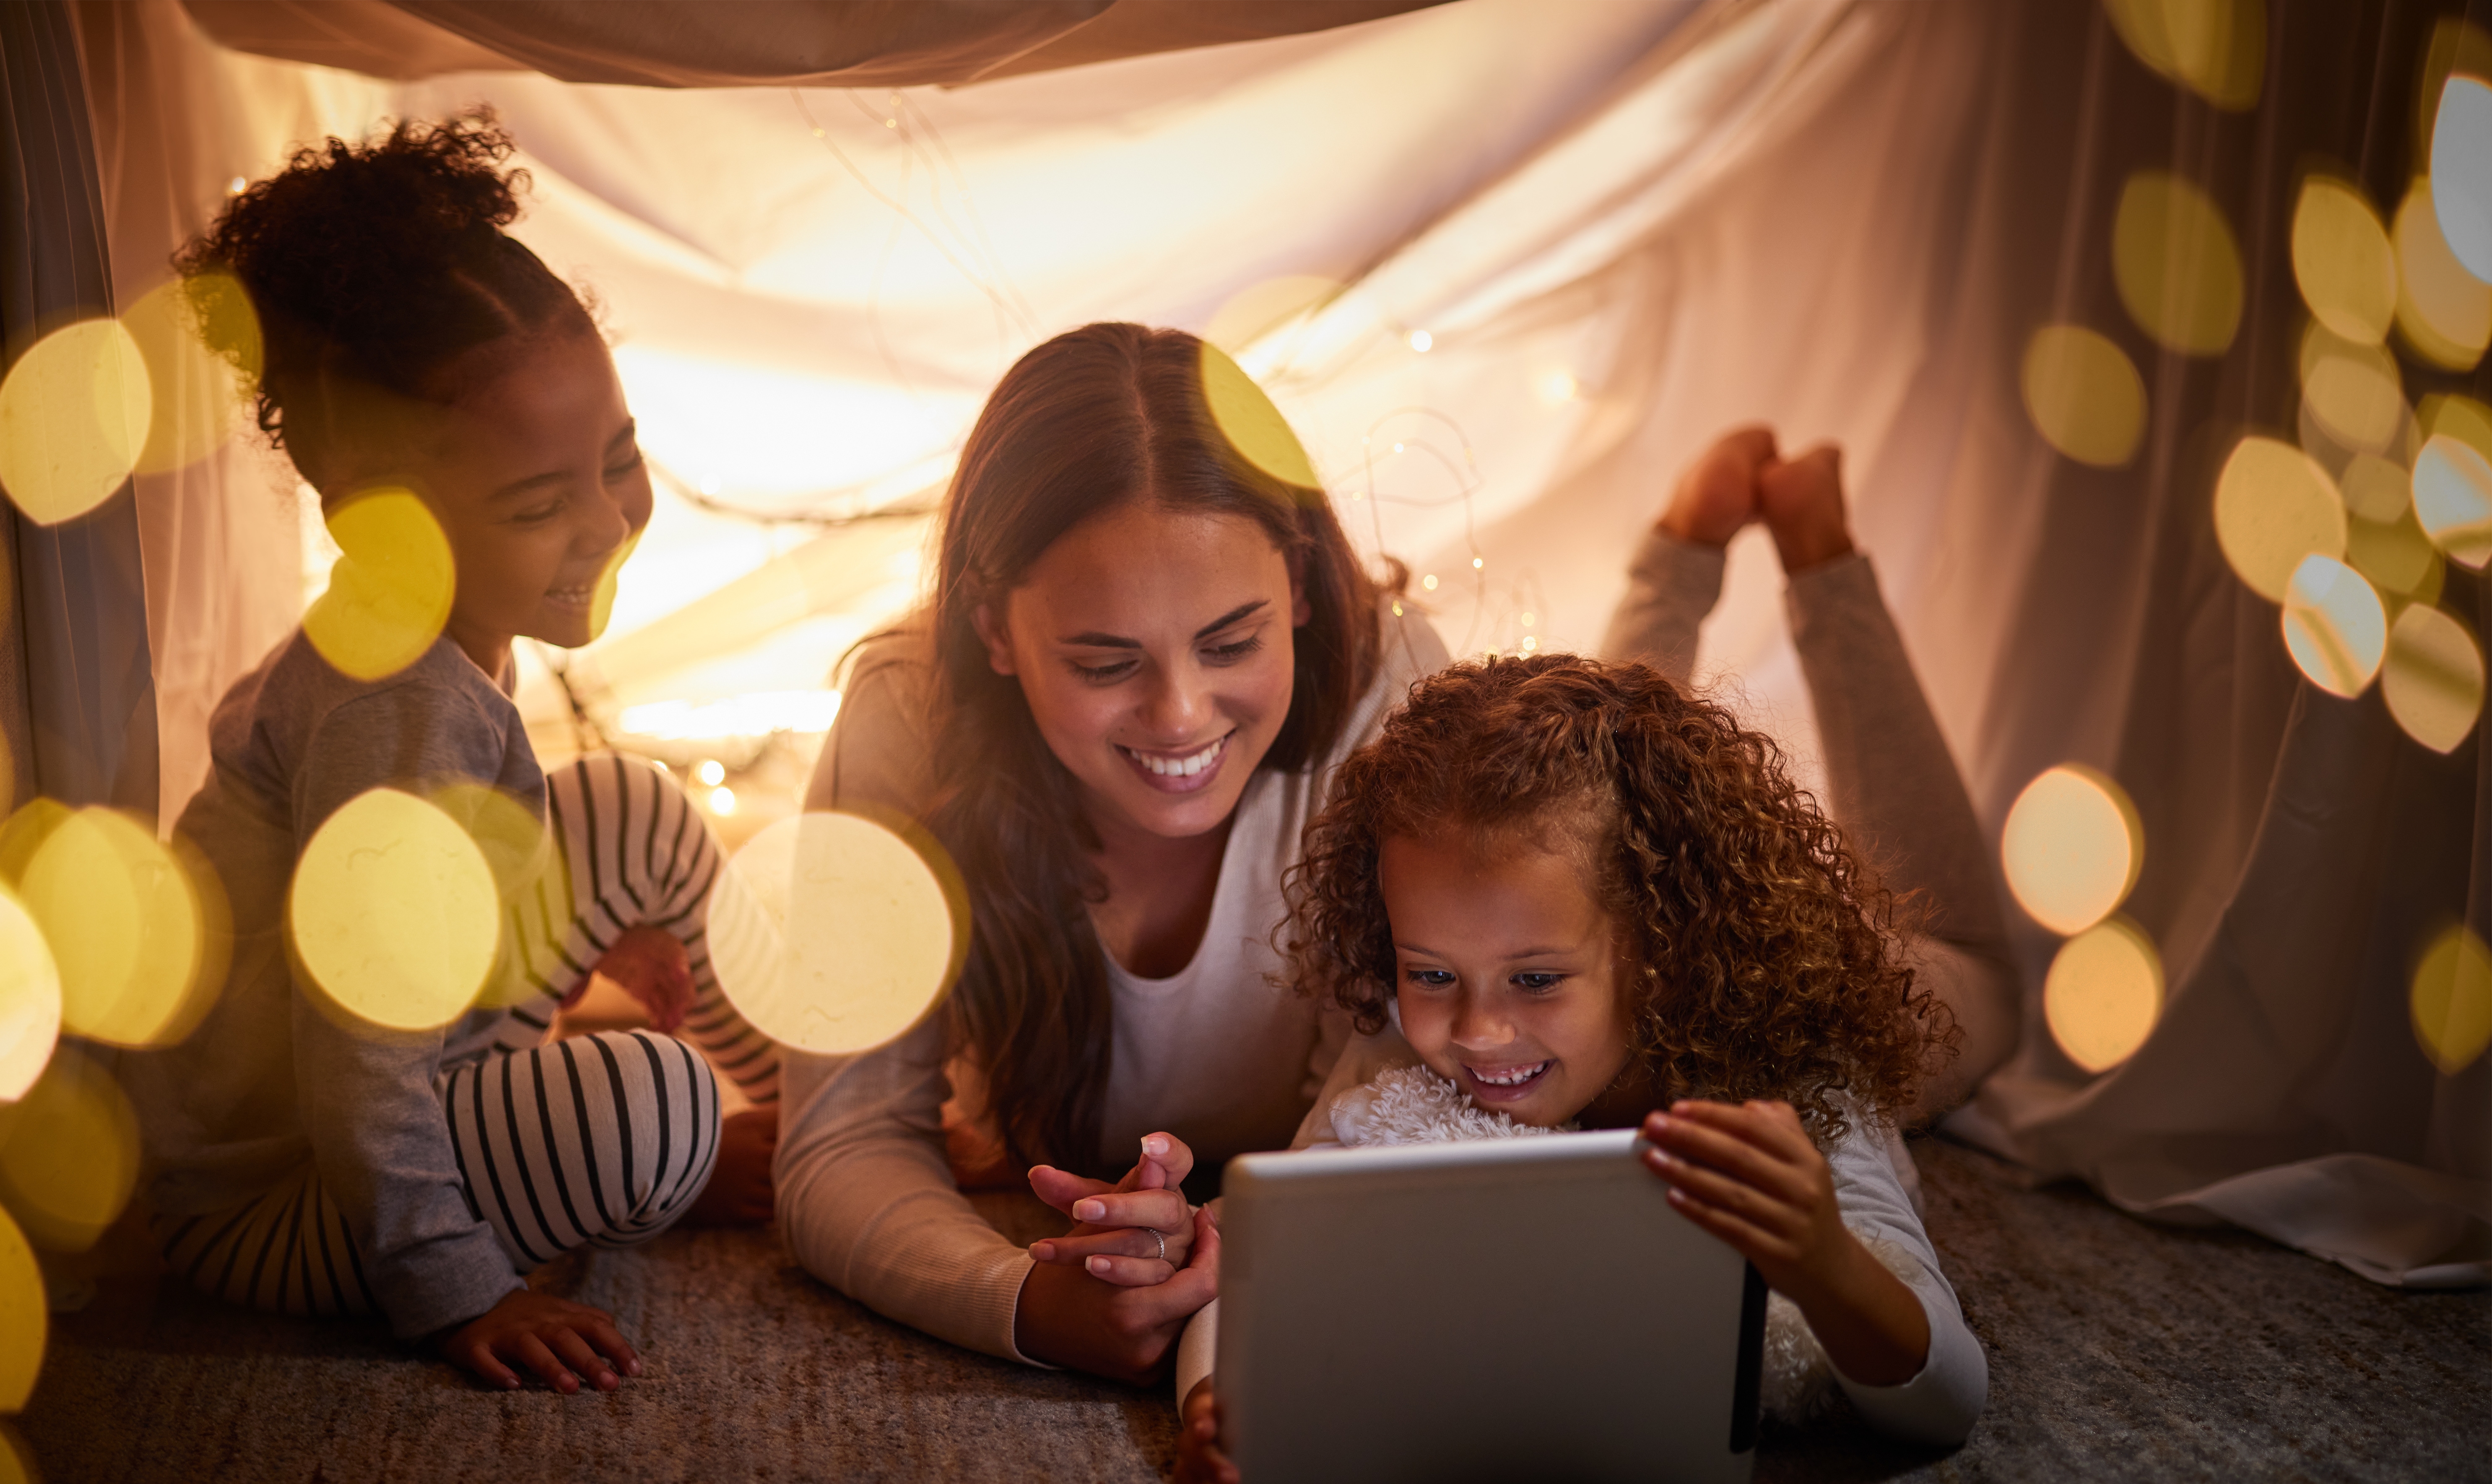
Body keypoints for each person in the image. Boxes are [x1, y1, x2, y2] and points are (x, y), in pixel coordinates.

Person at [122, 114, 778, 1395]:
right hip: (277, 1192)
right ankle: (687, 1145)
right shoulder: (394, 714)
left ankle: (807, 1116)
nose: (603, 523)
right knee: (654, 1103)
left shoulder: (442, 629)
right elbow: (359, 1054)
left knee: (636, 808)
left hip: (410, 1068)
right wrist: (451, 1284)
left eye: (620, 462)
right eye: (538, 505)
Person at [780, 323, 1448, 1380]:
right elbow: (838, 1142)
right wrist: (1023, 1301)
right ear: (994, 633)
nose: (1180, 717)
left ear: (1304, 590)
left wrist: (1229, 1242)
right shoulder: (904, 716)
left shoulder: (1395, 694)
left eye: (1231, 643)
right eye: (1104, 662)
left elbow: (1395, 1108)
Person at [1167, 645, 1987, 1478]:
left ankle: (1702, 543)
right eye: (1431, 973)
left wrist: (1823, 1260)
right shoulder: (1401, 1056)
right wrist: (1214, 1405)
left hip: (1931, 999)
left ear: (1663, 949)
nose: (1478, 1031)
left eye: (1534, 979)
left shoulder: (1794, 1073)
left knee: (1984, 982)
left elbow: (1947, 1402)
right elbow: (1258, 1261)